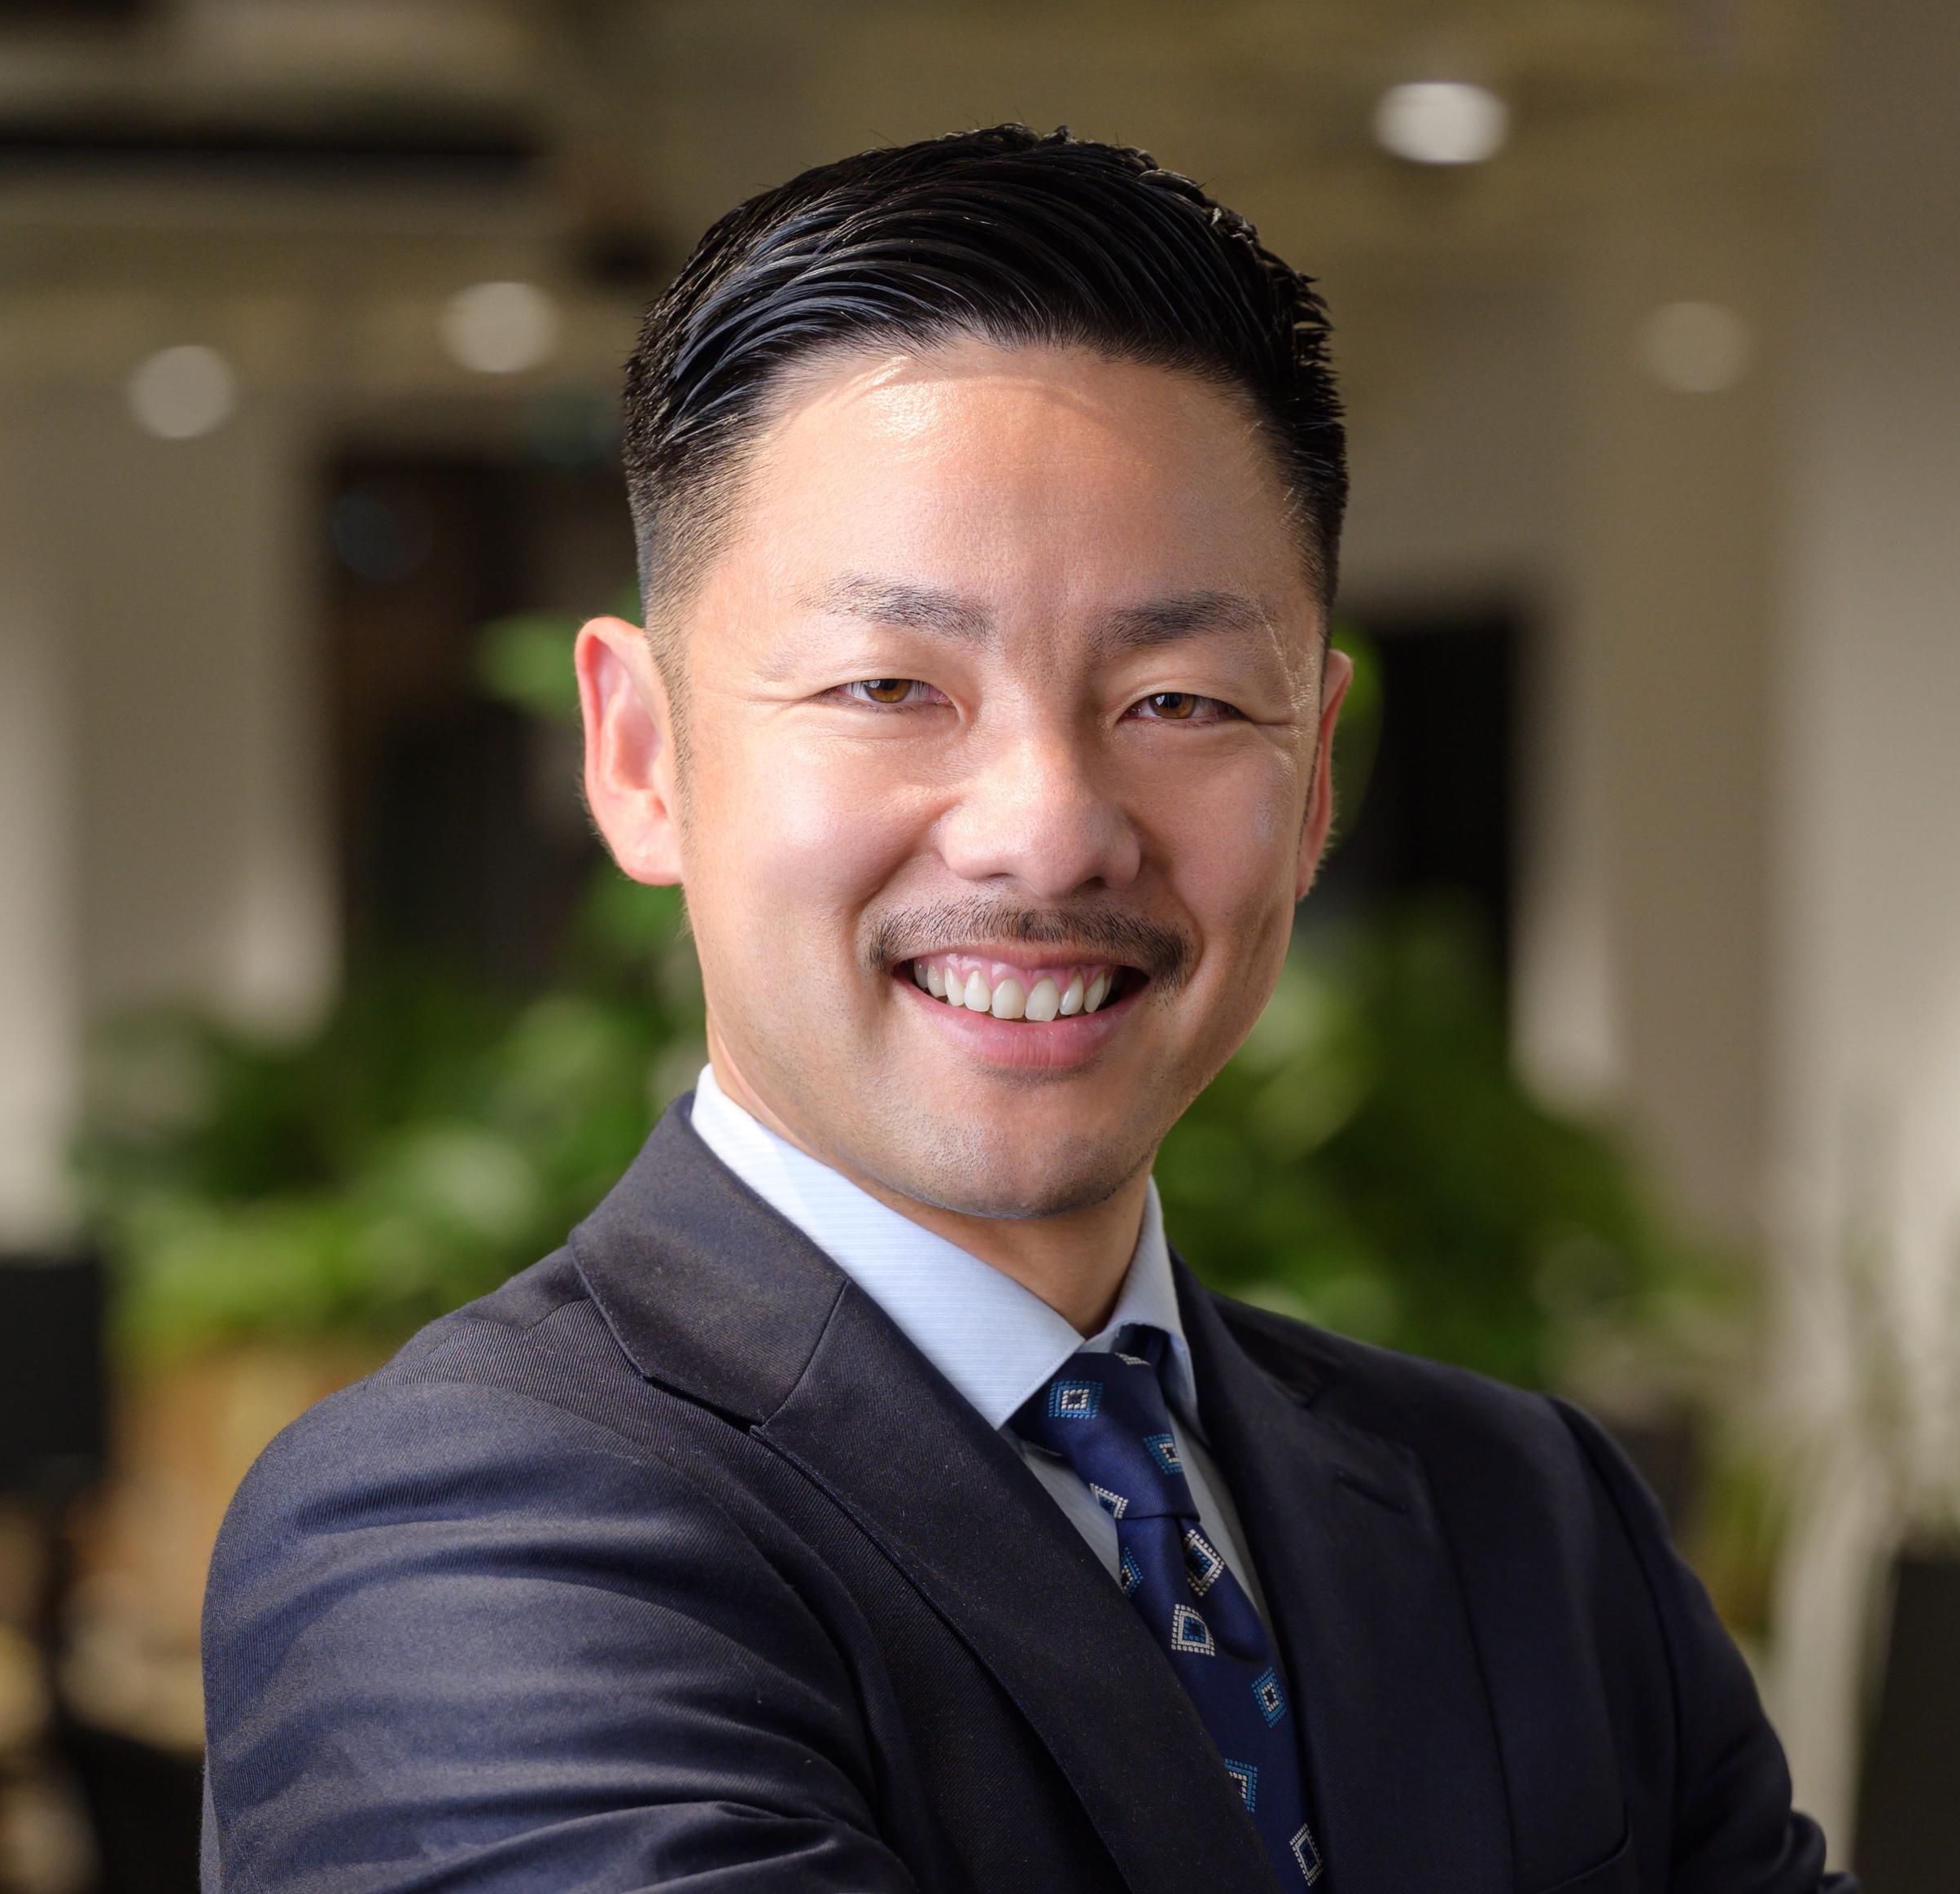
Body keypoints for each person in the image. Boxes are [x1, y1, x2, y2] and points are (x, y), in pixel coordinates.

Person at [201, 125, 1852, 1893]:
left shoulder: (1520, 1513)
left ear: (1311, 786)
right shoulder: (461, 1540)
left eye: (1179, 700)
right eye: (889, 683)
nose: (1049, 823)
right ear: (640, 756)